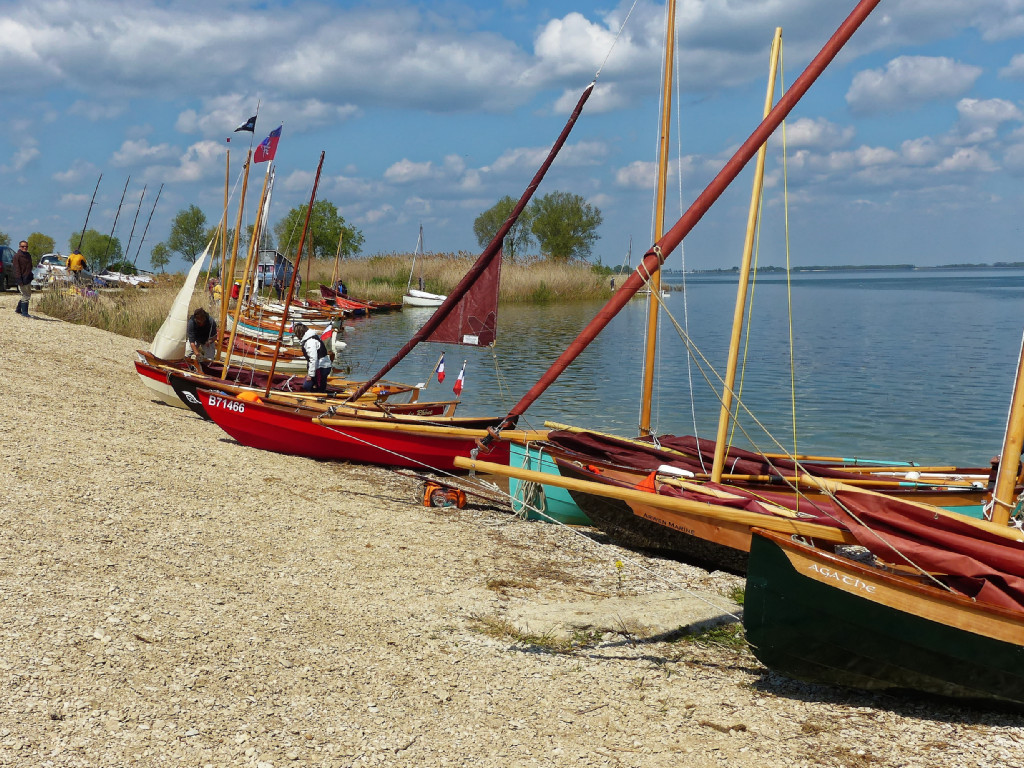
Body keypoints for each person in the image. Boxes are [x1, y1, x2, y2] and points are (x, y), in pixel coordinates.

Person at [293, 321, 332, 392]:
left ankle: (320, 398)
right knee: (310, 386)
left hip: (321, 367)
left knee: (311, 386)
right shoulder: (310, 338)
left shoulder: (310, 342)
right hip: (320, 367)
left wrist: (310, 375)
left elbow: (313, 359)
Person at [13, 240, 32, 317]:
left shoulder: (28, 255)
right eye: (23, 246)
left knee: (28, 294)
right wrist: (19, 280)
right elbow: (16, 269)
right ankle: (24, 313)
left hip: (28, 277)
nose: (25, 248)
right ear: (19, 247)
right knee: (25, 295)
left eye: (26, 246)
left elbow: (30, 266)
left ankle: (18, 309)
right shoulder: (17, 256)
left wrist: (31, 275)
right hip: (21, 278)